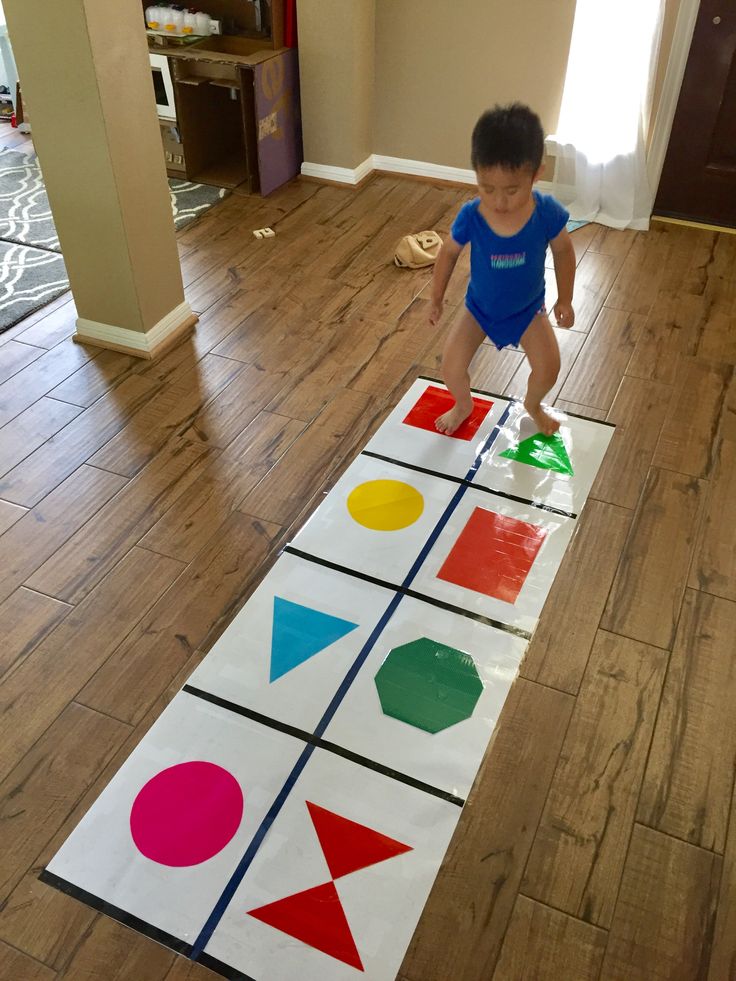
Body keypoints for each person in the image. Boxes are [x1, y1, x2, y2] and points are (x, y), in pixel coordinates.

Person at [429, 103, 576, 436]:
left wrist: (564, 300)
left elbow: (564, 251)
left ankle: (533, 404)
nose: (499, 201)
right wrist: (435, 298)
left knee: (549, 368)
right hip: (479, 308)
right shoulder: (472, 215)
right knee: (450, 368)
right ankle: (463, 404)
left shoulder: (546, 212)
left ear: (536, 173)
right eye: (487, 188)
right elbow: (448, 253)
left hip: (528, 310)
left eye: (512, 190)